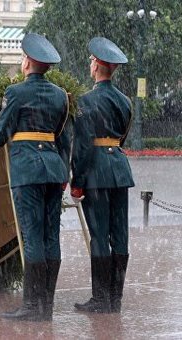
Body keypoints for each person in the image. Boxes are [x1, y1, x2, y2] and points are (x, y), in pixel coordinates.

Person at [0, 33, 70, 321]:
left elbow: (2, 130)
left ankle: (32, 307)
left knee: (31, 237)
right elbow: (62, 136)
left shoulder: (16, 92)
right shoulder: (60, 95)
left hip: (27, 169)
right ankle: (47, 306)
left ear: (28, 62)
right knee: (50, 236)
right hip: (54, 169)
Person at [71, 37, 134, 314]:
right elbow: (122, 138)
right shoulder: (125, 101)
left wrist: (77, 182)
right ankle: (115, 298)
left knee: (99, 235)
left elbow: (83, 146)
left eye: (91, 62)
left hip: (96, 172)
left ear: (96, 66)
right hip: (120, 171)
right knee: (119, 235)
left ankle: (100, 299)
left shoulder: (86, 101)